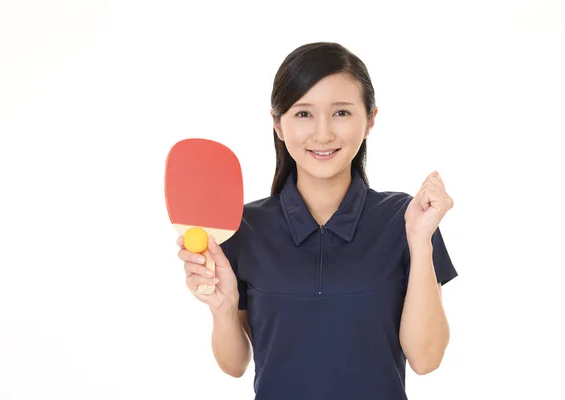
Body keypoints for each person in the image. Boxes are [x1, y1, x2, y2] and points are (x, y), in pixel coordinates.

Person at [176, 41, 458, 400]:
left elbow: (426, 358)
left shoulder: (406, 219)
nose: (323, 133)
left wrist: (420, 243)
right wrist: (223, 307)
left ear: (370, 118)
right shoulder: (243, 226)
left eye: (341, 112)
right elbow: (235, 365)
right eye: (303, 113)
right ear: (277, 124)